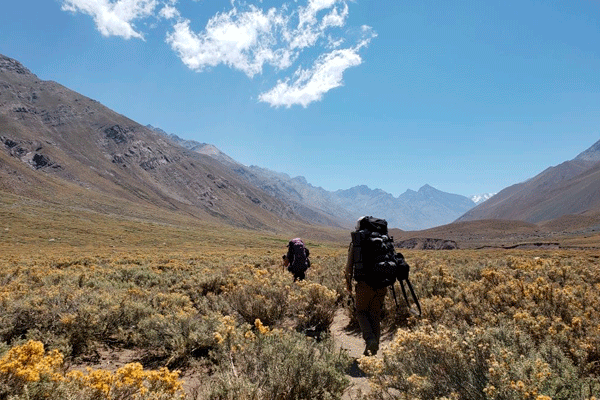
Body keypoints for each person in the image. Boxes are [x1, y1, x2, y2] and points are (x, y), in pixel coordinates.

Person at [345, 218, 388, 356]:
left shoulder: (358, 241)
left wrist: (348, 284)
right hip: (382, 283)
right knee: (375, 314)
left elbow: (348, 267)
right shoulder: (382, 239)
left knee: (361, 312)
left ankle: (370, 340)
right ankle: (372, 350)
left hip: (364, 284)